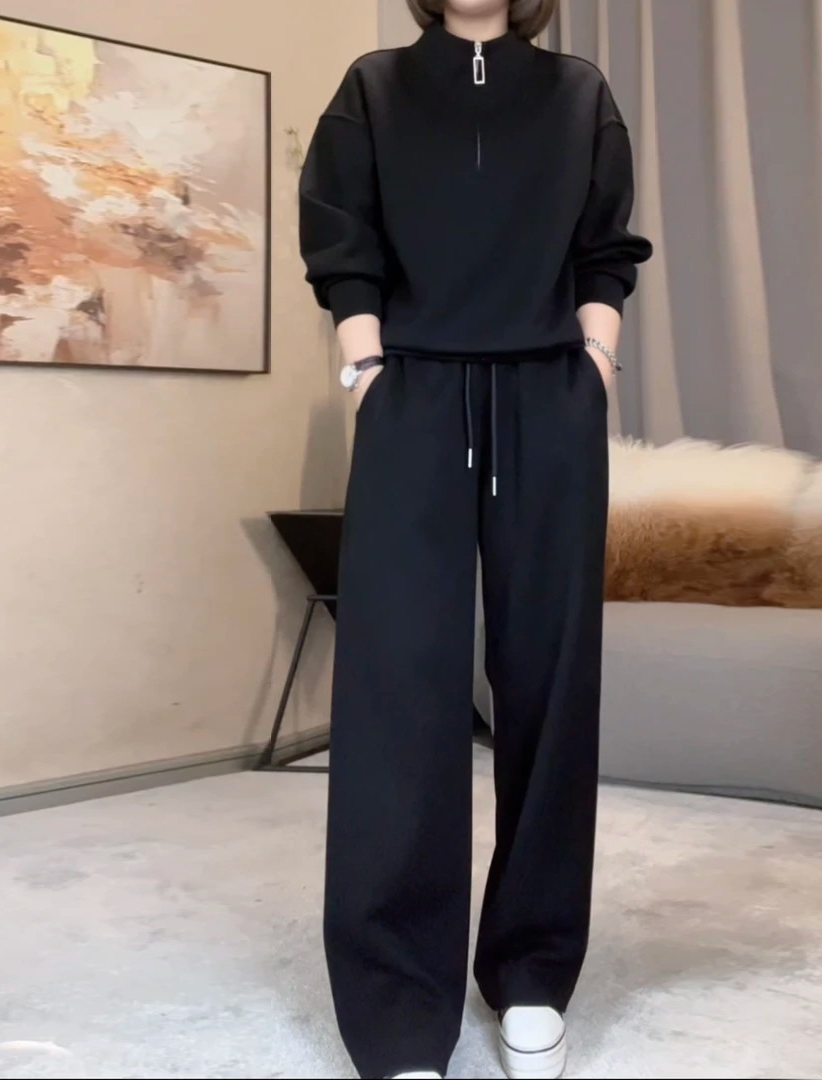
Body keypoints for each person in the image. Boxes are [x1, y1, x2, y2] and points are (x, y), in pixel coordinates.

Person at [299, 0, 652, 1076]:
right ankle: (399, 1006)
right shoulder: (375, 86)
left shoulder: (579, 92)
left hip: (549, 398)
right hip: (413, 394)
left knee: (550, 680)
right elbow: (342, 237)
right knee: (398, 688)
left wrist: (595, 362)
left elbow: (605, 248)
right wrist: (366, 368)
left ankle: (533, 968)